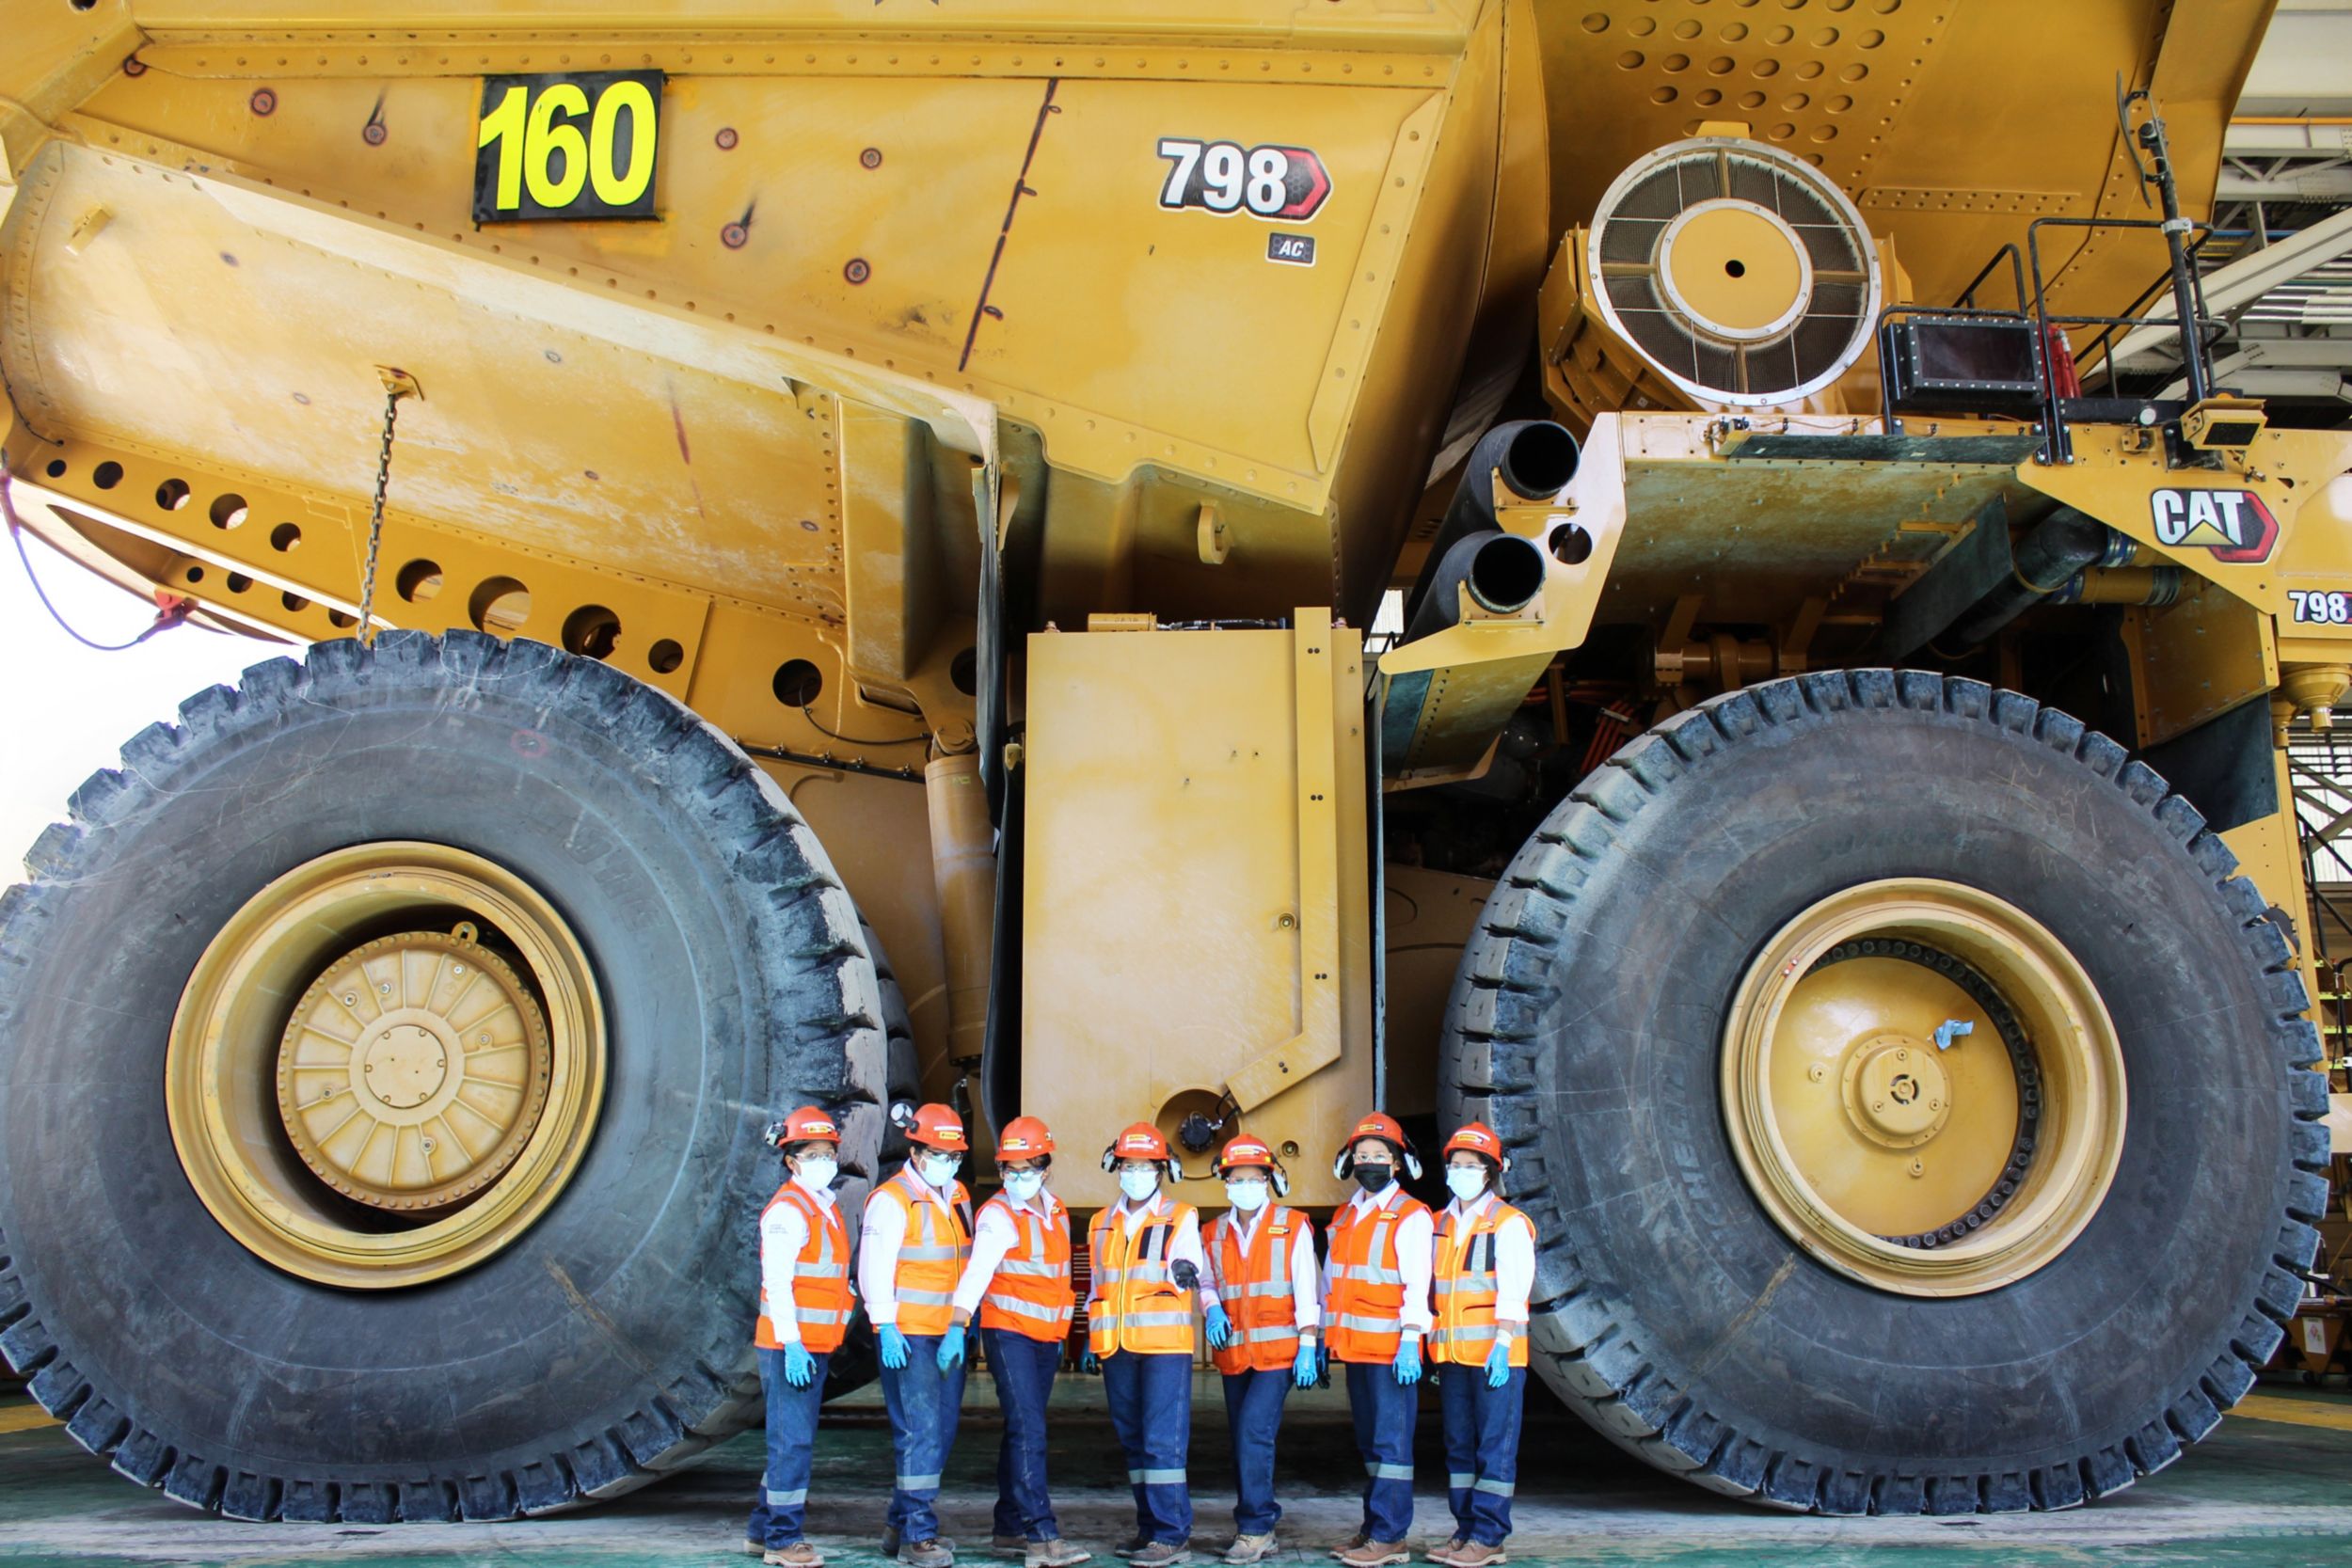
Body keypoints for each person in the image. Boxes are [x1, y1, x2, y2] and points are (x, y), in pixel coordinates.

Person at [944, 1116, 1090, 1568]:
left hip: (1046, 1338)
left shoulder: (1058, 1211)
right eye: (1010, 1169)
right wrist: (957, 1323)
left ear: (1046, 1168)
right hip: (1010, 1335)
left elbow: (1058, 1278)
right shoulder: (997, 1216)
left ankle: (1007, 1527)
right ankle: (1041, 1536)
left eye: (1027, 1168)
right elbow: (977, 1274)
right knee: (1029, 1429)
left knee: (1020, 1430)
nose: (1017, 1177)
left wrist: (1076, 1334)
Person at [1087, 1122, 1206, 1568]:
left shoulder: (1181, 1215)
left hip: (1162, 1347)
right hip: (1115, 1344)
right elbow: (1100, 1284)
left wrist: (1184, 1269)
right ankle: (1149, 1527)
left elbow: (1189, 1258)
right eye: (1129, 1165)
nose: (1136, 1173)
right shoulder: (1101, 1223)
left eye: (1145, 1166)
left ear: (1162, 1169)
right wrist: (1090, 1333)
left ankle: (1173, 1534)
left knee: (1162, 1441)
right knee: (1133, 1440)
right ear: (1116, 1166)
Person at [863, 1102, 976, 1568]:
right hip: (909, 1338)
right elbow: (873, 1270)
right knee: (919, 1433)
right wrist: (885, 1326)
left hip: (947, 1335)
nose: (947, 1161)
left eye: (953, 1154)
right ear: (916, 1150)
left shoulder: (958, 1194)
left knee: (940, 1433)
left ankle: (899, 1524)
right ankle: (918, 1537)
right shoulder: (892, 1200)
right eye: (938, 1152)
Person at [1201, 1134, 1321, 1565]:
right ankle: (1256, 1521)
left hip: (1279, 1354)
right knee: (1244, 1439)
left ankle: (1256, 1527)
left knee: (1254, 1431)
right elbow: (1206, 1280)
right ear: (1225, 1180)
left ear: (1269, 1179)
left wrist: (1309, 1343)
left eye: (1254, 1177)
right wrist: (1212, 1308)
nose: (1245, 1184)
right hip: (1235, 1354)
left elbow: (1308, 1287)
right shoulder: (1212, 1231)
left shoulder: (1293, 1226)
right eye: (1238, 1177)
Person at [1322, 1113, 1432, 1568]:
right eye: (1363, 1155)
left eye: (1379, 1156)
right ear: (1350, 1161)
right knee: (1371, 1444)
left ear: (1398, 1162)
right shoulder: (1347, 1213)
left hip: (1391, 1351)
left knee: (1391, 1445)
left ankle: (1390, 1535)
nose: (1369, 1162)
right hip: (1355, 1347)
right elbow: (1333, 1281)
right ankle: (1374, 1527)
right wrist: (1324, 1342)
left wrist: (1411, 1338)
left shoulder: (1410, 1215)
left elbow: (1416, 1282)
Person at [748, 1107, 854, 1568]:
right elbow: (777, 1282)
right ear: (791, 1160)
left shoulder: (821, 1205)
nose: (823, 1160)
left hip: (813, 1345)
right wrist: (791, 1344)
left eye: (828, 1152)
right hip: (790, 1346)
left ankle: (760, 1530)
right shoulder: (788, 1212)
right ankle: (782, 1540)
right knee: (791, 1443)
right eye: (812, 1153)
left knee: (793, 1438)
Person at [1426, 1122, 1534, 1568]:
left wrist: (1504, 1343)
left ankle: (1490, 1536)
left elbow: (1515, 1288)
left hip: (1496, 1357)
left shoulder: (1507, 1223)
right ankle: (1465, 1527)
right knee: (1459, 1446)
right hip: (1452, 1356)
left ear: (1490, 1172)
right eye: (1456, 1164)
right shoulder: (1439, 1222)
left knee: (1494, 1447)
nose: (1462, 1171)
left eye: (1472, 1165)